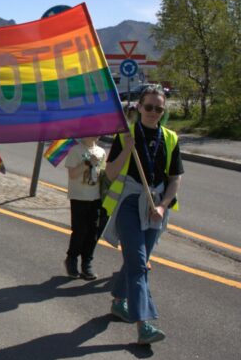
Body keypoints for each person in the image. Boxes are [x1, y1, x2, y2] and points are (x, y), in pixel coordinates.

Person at [102, 85, 183, 345]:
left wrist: (163, 206)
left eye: (159, 108)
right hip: (129, 205)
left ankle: (118, 300)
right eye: (148, 107)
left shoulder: (170, 138)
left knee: (138, 259)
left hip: (155, 207)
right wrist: (127, 148)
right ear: (138, 107)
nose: (153, 112)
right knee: (139, 265)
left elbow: (175, 178)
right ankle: (143, 324)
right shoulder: (125, 135)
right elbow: (111, 173)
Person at [63, 136, 106, 280]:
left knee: (93, 232)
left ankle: (87, 263)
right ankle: (72, 259)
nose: (95, 134)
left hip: (96, 197)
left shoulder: (101, 151)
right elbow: (72, 174)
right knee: (80, 230)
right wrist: (88, 162)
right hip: (79, 197)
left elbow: (103, 173)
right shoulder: (75, 150)